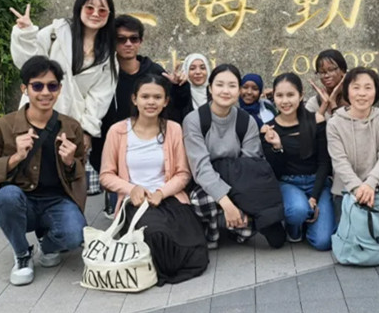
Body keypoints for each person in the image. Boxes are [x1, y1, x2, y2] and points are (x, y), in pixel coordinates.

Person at [0, 56, 87, 286]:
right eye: (37, 86)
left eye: (52, 86)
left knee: (76, 235)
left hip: (56, 200)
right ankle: (22, 254)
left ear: (59, 89)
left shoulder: (70, 126)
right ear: (25, 89)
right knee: (6, 196)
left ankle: (45, 246)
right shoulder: (3, 127)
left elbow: (79, 173)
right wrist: (15, 157)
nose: (45, 92)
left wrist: (69, 161)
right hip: (21, 201)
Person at [99, 75, 209, 285]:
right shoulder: (118, 131)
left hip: (168, 196)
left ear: (166, 101)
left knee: (193, 242)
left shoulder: (174, 129)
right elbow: (106, 175)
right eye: (145, 96)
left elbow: (183, 173)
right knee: (156, 235)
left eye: (157, 97)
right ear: (134, 99)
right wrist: (132, 189)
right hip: (136, 202)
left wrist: (162, 192)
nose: (151, 102)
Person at [183, 64, 286, 250]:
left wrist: (240, 203)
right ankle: (211, 233)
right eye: (219, 85)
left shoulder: (246, 121)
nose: (225, 91)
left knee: (247, 232)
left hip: (238, 179)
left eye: (231, 86)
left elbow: (249, 167)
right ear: (210, 88)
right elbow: (201, 168)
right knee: (201, 201)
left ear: (238, 90)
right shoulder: (194, 120)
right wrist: (228, 205)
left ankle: (233, 225)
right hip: (205, 183)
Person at [92, 15, 186, 218]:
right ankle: (117, 199)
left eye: (133, 39)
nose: (128, 44)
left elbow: (174, 107)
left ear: (140, 42)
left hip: (153, 142)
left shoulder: (155, 73)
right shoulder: (102, 74)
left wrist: (179, 87)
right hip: (114, 140)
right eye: (121, 39)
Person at [10, 0, 118, 151]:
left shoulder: (108, 55)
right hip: (35, 114)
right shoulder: (55, 32)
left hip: (71, 124)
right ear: (79, 8)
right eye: (90, 8)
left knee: (63, 171)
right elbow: (28, 64)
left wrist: (87, 129)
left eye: (102, 11)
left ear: (109, 15)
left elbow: (100, 97)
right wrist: (26, 33)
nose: (95, 14)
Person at [326, 67, 379, 257]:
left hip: (377, 185)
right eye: (356, 87)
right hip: (345, 188)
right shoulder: (334, 124)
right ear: (347, 91)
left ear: (375, 91)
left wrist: (369, 183)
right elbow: (339, 161)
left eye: (368, 87)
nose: (362, 93)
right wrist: (357, 187)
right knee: (343, 236)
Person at [261, 73, 335, 251]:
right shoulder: (269, 129)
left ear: (301, 96)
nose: (285, 101)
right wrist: (277, 147)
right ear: (274, 98)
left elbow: (325, 163)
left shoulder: (316, 120)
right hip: (289, 183)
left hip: (317, 183)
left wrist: (314, 197)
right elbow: (276, 171)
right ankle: (296, 225)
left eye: (290, 95)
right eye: (279, 96)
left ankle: (309, 218)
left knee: (323, 242)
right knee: (297, 211)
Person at [306, 49, 348, 120]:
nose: (326, 76)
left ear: (343, 70)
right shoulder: (314, 103)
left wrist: (333, 103)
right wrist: (323, 106)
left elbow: (342, 129)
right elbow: (307, 130)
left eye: (331, 70)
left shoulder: (353, 100)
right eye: (322, 72)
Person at [169, 53, 210, 122]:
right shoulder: (182, 95)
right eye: (192, 68)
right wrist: (176, 86)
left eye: (202, 68)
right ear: (186, 71)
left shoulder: (214, 93)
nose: (198, 72)